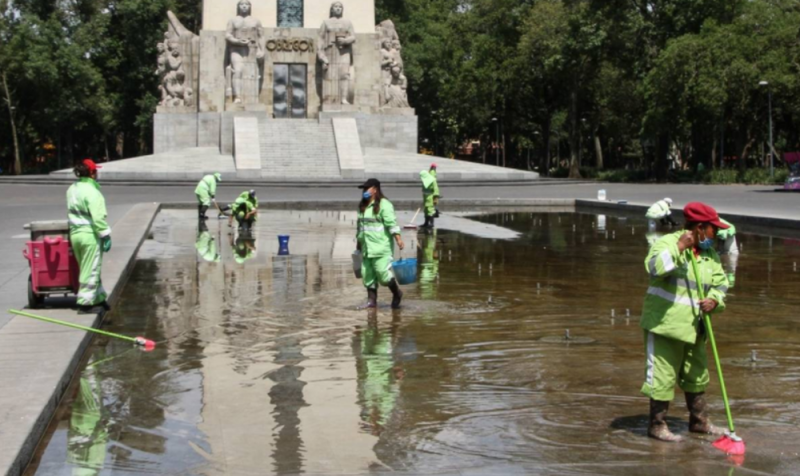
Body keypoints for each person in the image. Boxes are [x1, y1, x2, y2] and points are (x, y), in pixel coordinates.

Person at [640, 202, 730, 442]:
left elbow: (721, 284)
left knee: (697, 374)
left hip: (695, 328)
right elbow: (654, 267)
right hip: (665, 326)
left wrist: (714, 300)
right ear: (700, 228)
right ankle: (657, 426)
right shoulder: (668, 243)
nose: (716, 234)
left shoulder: (710, 254)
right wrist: (680, 248)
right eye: (713, 230)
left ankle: (699, 423)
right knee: (662, 376)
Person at [67, 159, 112, 314]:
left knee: (89, 267)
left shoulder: (72, 188)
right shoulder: (93, 192)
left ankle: (99, 298)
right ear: (92, 173)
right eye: (96, 171)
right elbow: (98, 218)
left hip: (75, 234)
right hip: (89, 236)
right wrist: (105, 235)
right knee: (91, 268)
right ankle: (85, 303)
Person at [356, 178, 405, 309]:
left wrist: (398, 238)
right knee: (368, 275)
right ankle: (371, 302)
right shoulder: (363, 206)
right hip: (367, 248)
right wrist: (358, 244)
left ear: (375, 189)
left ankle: (397, 293)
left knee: (383, 275)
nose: (365, 191)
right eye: (363, 189)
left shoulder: (385, 205)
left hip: (381, 248)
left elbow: (391, 224)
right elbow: (360, 228)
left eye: (367, 189)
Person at [716, 218, 738, 288]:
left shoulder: (718, 222)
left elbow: (731, 229)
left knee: (732, 256)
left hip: (729, 233)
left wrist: (731, 273)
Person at [420, 163, 440, 229]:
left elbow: (436, 188)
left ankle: (431, 223)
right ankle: (426, 222)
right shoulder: (425, 180)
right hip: (426, 197)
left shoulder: (432, 179)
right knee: (426, 210)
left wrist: (436, 197)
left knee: (430, 210)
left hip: (431, 197)